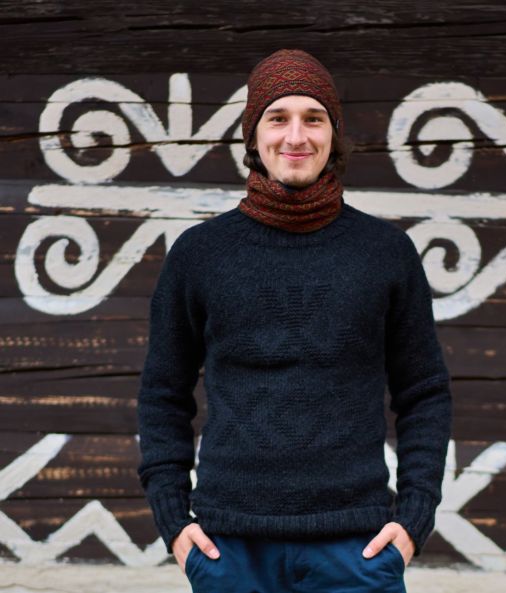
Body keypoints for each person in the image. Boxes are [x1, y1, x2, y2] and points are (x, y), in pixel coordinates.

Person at [137, 48, 452, 593]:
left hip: (357, 549)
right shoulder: (200, 253)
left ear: (334, 133)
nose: (296, 136)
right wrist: (173, 522)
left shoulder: (385, 252)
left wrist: (413, 520)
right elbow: (163, 393)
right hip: (229, 549)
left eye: (314, 118)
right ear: (253, 135)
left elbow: (424, 392)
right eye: (278, 118)